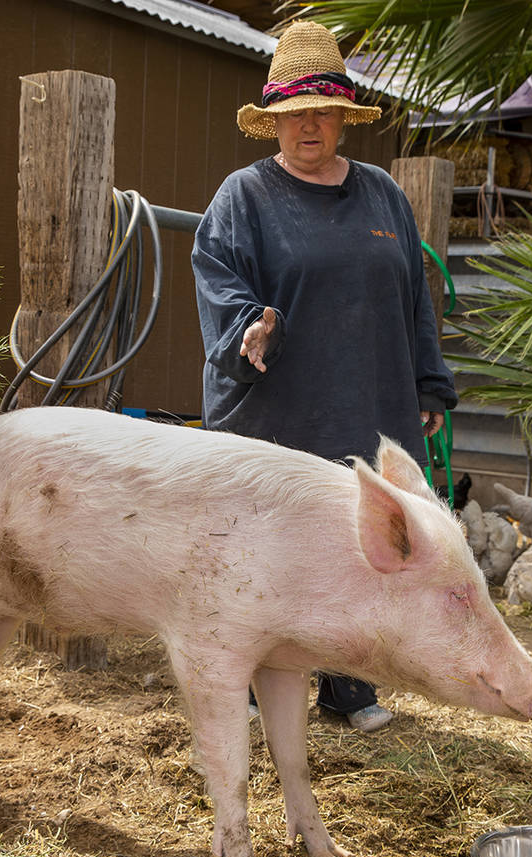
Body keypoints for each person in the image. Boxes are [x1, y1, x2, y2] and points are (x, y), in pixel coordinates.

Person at [192, 21, 458, 734]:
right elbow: (219, 284)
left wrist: (429, 383)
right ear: (274, 121)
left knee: (365, 546)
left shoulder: (382, 197)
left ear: (343, 116)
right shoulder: (242, 199)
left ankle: (348, 687)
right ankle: (247, 685)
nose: (308, 125)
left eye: (321, 110)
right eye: (292, 113)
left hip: (370, 400)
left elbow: (413, 300)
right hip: (274, 413)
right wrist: (249, 327)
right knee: (267, 549)